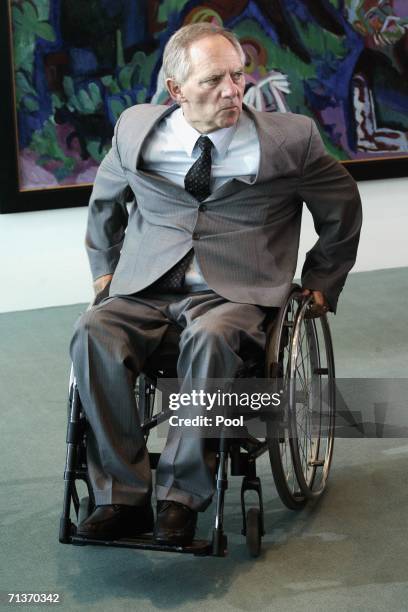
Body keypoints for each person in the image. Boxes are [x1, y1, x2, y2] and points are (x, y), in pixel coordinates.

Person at [70, 23, 362, 546]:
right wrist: (104, 270)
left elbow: (342, 208)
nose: (232, 90)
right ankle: (120, 495)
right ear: (177, 90)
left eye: (238, 74)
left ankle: (181, 499)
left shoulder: (289, 139)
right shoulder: (136, 129)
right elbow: (105, 203)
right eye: (213, 80)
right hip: (147, 287)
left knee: (211, 340)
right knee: (93, 330)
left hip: (236, 293)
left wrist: (322, 278)